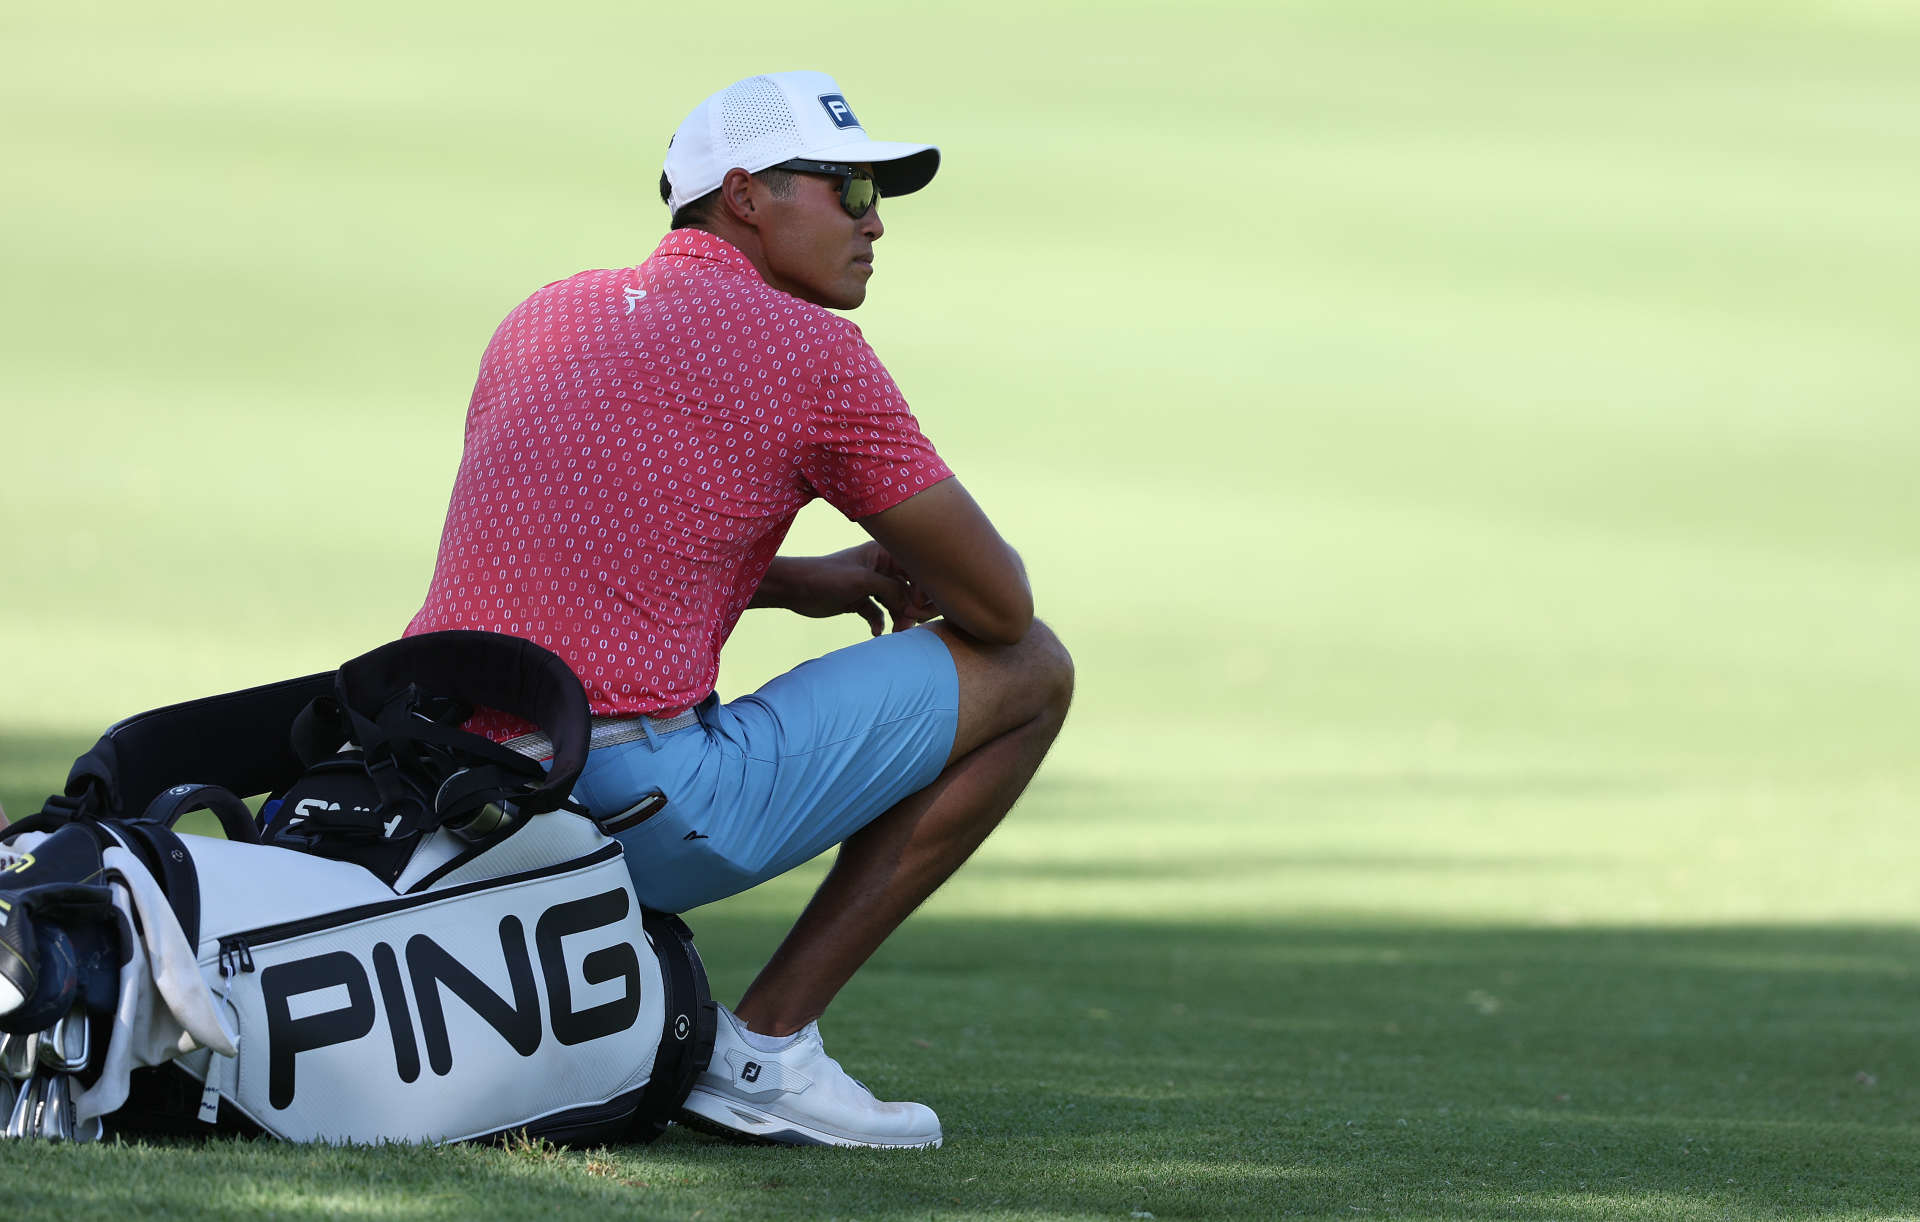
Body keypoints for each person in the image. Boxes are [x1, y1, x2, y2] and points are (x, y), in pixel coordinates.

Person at [405, 71, 1072, 1149]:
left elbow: (584, 532)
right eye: (846, 186)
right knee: (1033, 671)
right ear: (747, 195)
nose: (875, 219)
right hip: (620, 808)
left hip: (446, 789)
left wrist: (801, 578)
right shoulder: (815, 354)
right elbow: (997, 605)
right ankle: (763, 1049)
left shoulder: (546, 311)